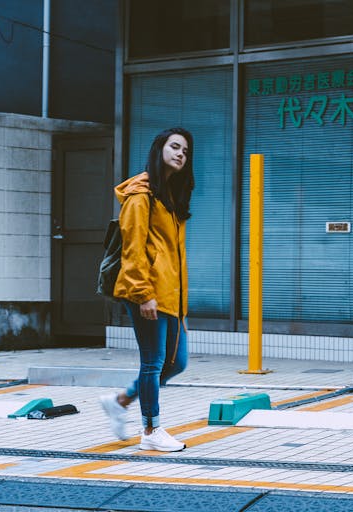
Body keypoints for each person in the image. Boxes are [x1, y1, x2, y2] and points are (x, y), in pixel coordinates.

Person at [99, 127, 194, 452]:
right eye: (175, 147)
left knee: (177, 363)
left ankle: (122, 400)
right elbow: (133, 249)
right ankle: (151, 430)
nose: (181, 154)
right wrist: (144, 293)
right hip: (148, 293)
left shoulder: (168, 197)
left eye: (185, 150)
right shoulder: (141, 196)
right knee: (153, 362)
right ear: (160, 150)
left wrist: (179, 303)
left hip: (171, 296)